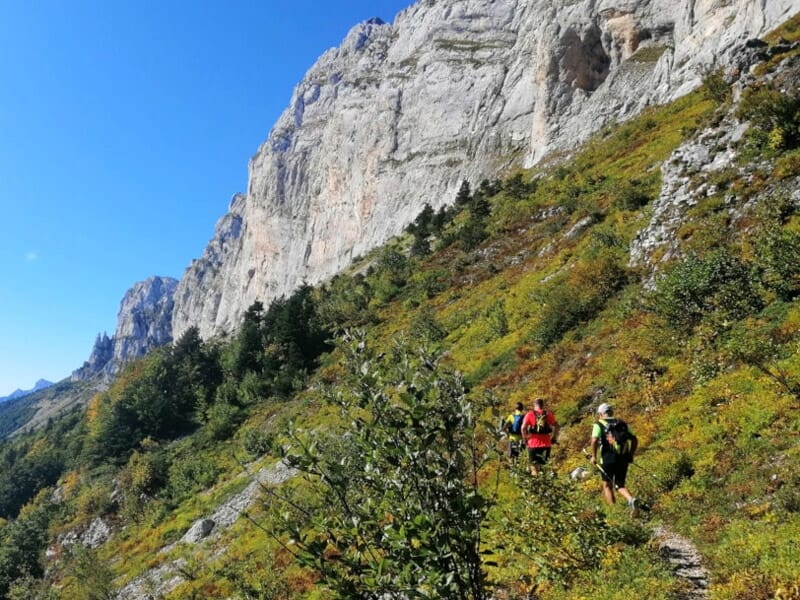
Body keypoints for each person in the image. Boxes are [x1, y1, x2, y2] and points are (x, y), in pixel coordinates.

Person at [590, 402, 639, 512]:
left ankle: (614, 511)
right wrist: (630, 454)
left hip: (607, 459)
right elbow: (634, 439)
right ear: (611, 412)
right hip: (623, 458)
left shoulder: (599, 424)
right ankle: (630, 499)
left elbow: (594, 440)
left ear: (601, 414)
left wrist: (593, 456)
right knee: (619, 484)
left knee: (607, 485)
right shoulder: (622, 423)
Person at [520, 398, 559, 475]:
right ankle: (545, 484)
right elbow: (557, 426)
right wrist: (554, 437)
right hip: (546, 444)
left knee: (534, 468)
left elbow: (523, 428)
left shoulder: (530, 414)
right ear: (542, 405)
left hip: (533, 444)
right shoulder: (548, 414)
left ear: (534, 405)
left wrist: (525, 439)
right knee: (544, 466)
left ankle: (536, 485)